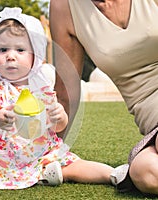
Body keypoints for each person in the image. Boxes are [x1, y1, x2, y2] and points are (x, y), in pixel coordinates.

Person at [0, 7, 113, 190]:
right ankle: (45, 174)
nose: (10, 56)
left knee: (74, 165)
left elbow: (57, 127)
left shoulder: (42, 90)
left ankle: (114, 174)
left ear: (35, 56)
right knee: (19, 171)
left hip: (40, 152)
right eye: (2, 49)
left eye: (20, 50)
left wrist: (60, 117)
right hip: (1, 158)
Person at [49, 0, 158, 195]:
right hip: (152, 120)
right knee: (145, 173)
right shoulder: (64, 6)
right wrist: (45, 153)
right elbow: (66, 92)